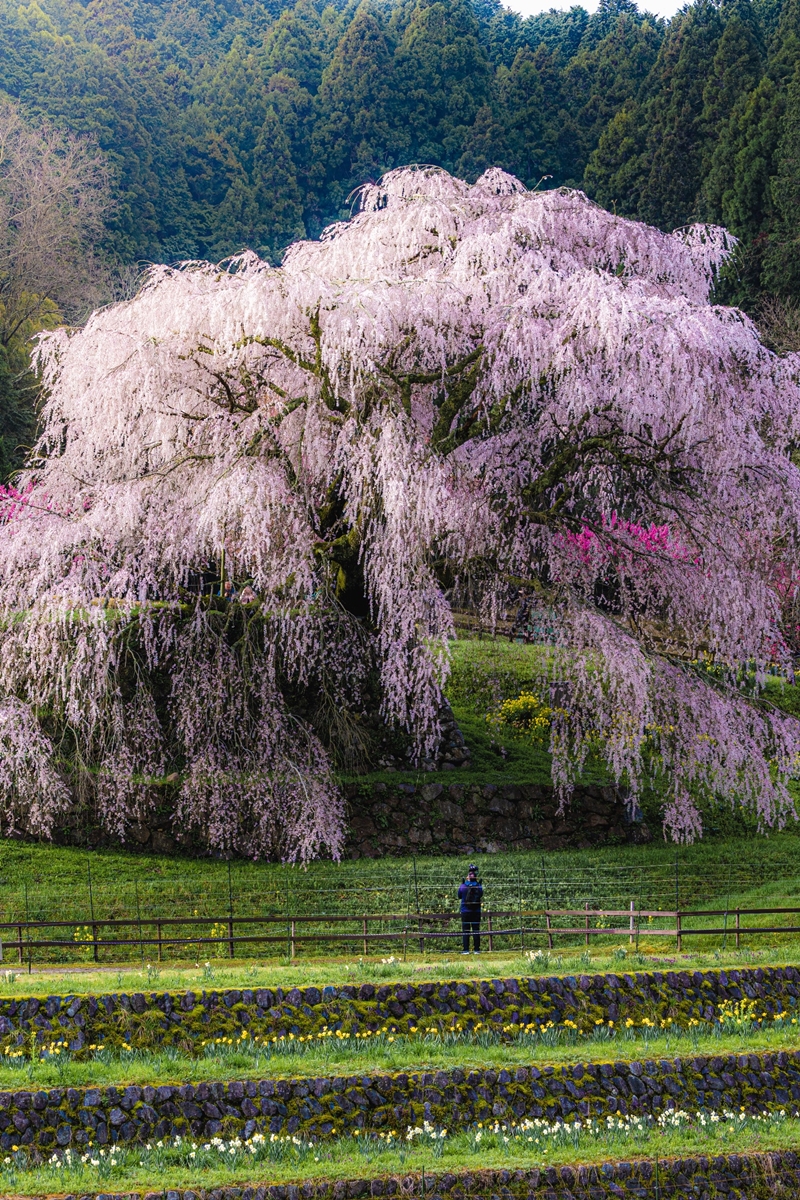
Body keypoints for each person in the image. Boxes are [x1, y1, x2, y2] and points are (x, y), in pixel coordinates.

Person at [458, 864, 483, 953]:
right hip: (476, 911)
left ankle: (466, 950)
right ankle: (477, 950)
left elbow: (459, 896)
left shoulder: (463, 886)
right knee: (476, 930)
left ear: (468, 876)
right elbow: (480, 894)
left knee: (465, 930)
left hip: (465, 911)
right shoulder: (479, 886)